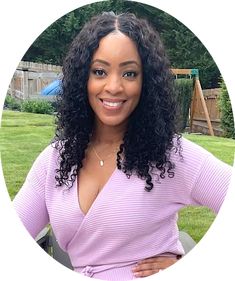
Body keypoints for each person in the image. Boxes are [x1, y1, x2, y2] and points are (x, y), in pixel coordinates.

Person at [13, 12, 232, 280]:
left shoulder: (170, 155)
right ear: (83, 78)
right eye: (100, 72)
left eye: (129, 73)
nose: (114, 86)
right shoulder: (55, 160)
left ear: (146, 82)